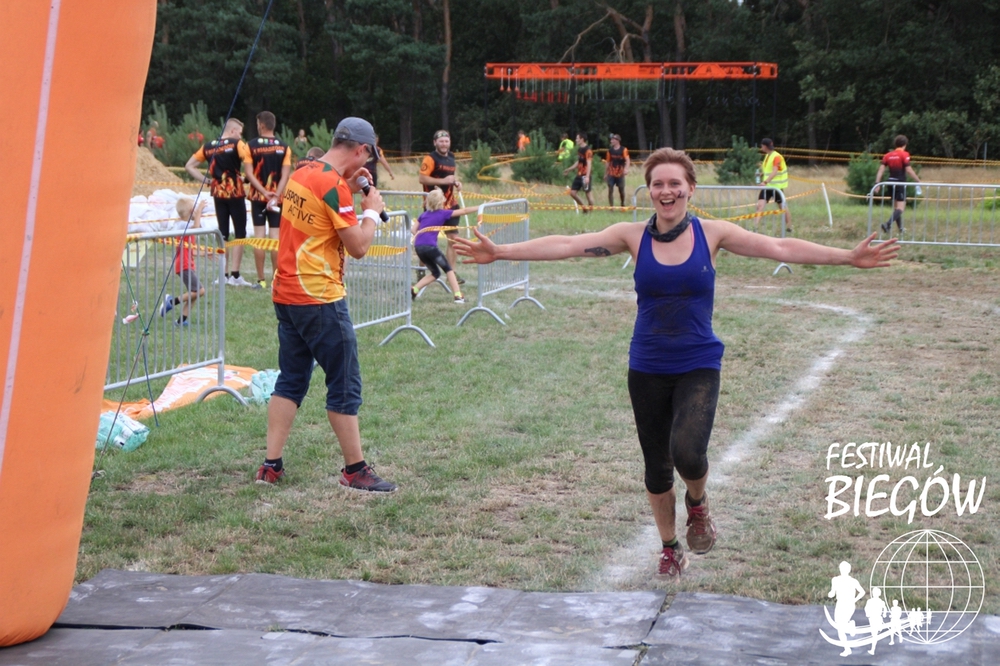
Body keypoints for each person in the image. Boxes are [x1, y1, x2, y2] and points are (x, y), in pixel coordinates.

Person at [454, 148, 899, 582]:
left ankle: (698, 504)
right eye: (657, 184)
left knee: (688, 451)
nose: (666, 191)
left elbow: (779, 245)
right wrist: (501, 252)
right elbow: (568, 244)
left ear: (690, 189)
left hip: (698, 362)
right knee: (656, 467)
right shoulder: (632, 236)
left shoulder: (713, 234)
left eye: (675, 183)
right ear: (648, 190)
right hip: (647, 365)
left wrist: (847, 256)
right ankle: (670, 548)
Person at [256, 116, 397, 493]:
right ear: (361, 150)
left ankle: (271, 465)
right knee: (344, 383)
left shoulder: (304, 172)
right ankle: (355, 469)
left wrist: (350, 187)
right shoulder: (332, 186)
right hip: (319, 298)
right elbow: (359, 246)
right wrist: (371, 211)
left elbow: (319, 215)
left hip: (286, 293)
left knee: (290, 379)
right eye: (368, 157)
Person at [185, 118, 253, 286]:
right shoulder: (237, 144)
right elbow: (250, 159)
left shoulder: (209, 146)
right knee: (240, 232)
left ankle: (223, 274)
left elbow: (189, 166)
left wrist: (207, 181)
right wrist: (246, 178)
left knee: (223, 233)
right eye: (240, 133)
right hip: (235, 191)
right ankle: (235, 275)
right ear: (233, 131)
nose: (240, 136)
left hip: (217, 192)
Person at [244, 111, 292, 288]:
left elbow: (249, 173)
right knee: (275, 238)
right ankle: (276, 279)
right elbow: (286, 175)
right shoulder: (284, 147)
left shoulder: (250, 146)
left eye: (258, 124)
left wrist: (264, 192)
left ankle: (261, 280)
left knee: (259, 237)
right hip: (278, 199)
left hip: (258, 197)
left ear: (262, 125)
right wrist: (276, 195)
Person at [411, 188, 477, 304]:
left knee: (435, 273)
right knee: (448, 269)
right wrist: (481, 207)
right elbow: (464, 211)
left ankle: (414, 289)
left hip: (419, 247)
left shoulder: (423, 215)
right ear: (441, 202)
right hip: (430, 247)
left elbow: (413, 229)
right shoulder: (443, 213)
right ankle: (458, 296)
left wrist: (421, 236)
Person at [419, 129, 464, 282]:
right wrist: (443, 182)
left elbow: (449, 177)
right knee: (426, 240)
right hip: (434, 205)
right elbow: (422, 179)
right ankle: (421, 270)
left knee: (453, 239)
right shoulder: (430, 158)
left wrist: (456, 182)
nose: (444, 144)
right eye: (441, 141)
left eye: (446, 141)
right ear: (435, 143)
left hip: (450, 204)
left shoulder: (451, 157)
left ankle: (452, 273)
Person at [160, 197, 209, 327]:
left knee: (194, 294)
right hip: (184, 265)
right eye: (194, 209)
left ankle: (181, 321)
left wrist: (204, 253)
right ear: (191, 211)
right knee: (200, 291)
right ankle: (171, 302)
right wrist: (199, 210)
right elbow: (197, 227)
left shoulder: (187, 226)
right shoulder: (182, 225)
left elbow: (190, 250)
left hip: (188, 264)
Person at [874, 135, 921, 235]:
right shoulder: (904, 154)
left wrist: (877, 183)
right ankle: (887, 224)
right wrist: (917, 180)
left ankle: (900, 229)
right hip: (900, 183)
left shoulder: (888, 155)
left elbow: (881, 169)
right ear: (905, 144)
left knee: (896, 208)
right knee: (900, 208)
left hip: (890, 183)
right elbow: (908, 169)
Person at [753, 138, 792, 234]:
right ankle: (755, 227)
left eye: (762, 145)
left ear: (765, 146)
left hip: (776, 187)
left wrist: (765, 182)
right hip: (767, 187)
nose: (761, 147)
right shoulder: (767, 156)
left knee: (782, 207)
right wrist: (762, 175)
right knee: (760, 206)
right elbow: (768, 170)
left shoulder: (776, 156)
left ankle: (789, 226)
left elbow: (775, 171)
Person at [829, 561, 867, 657]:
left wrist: (854, 600)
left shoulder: (853, 581)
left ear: (849, 570)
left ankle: (850, 626)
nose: (843, 570)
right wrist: (831, 594)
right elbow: (832, 592)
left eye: (845, 569)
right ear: (840, 569)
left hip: (849, 604)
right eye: (842, 568)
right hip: (840, 604)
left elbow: (862, 592)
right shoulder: (835, 580)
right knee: (839, 627)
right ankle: (847, 648)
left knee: (842, 626)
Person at [562, 132, 593, 213]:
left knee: (588, 195)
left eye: (577, 138)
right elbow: (578, 162)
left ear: (582, 139)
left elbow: (589, 163)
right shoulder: (579, 149)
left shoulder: (588, 150)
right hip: (579, 174)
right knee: (572, 193)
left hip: (585, 175)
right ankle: (584, 208)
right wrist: (569, 169)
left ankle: (591, 210)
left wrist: (587, 177)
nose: (576, 140)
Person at [605, 133, 631, 208]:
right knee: (610, 189)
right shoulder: (610, 151)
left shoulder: (623, 150)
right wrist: (606, 173)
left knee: (621, 190)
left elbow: (627, 160)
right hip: (611, 173)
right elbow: (607, 162)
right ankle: (611, 207)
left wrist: (626, 169)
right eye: (611, 139)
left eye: (613, 139)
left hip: (620, 173)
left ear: (617, 140)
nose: (611, 141)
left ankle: (622, 204)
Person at [863, 587, 889, 655]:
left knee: (874, 634)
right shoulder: (870, 601)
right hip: (872, 618)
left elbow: (885, 608)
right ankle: (873, 649)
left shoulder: (881, 602)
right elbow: (866, 608)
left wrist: (884, 613)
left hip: (877, 618)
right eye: (874, 592)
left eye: (876, 592)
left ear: (879, 594)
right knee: (874, 634)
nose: (874, 594)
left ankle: (872, 649)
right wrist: (867, 613)